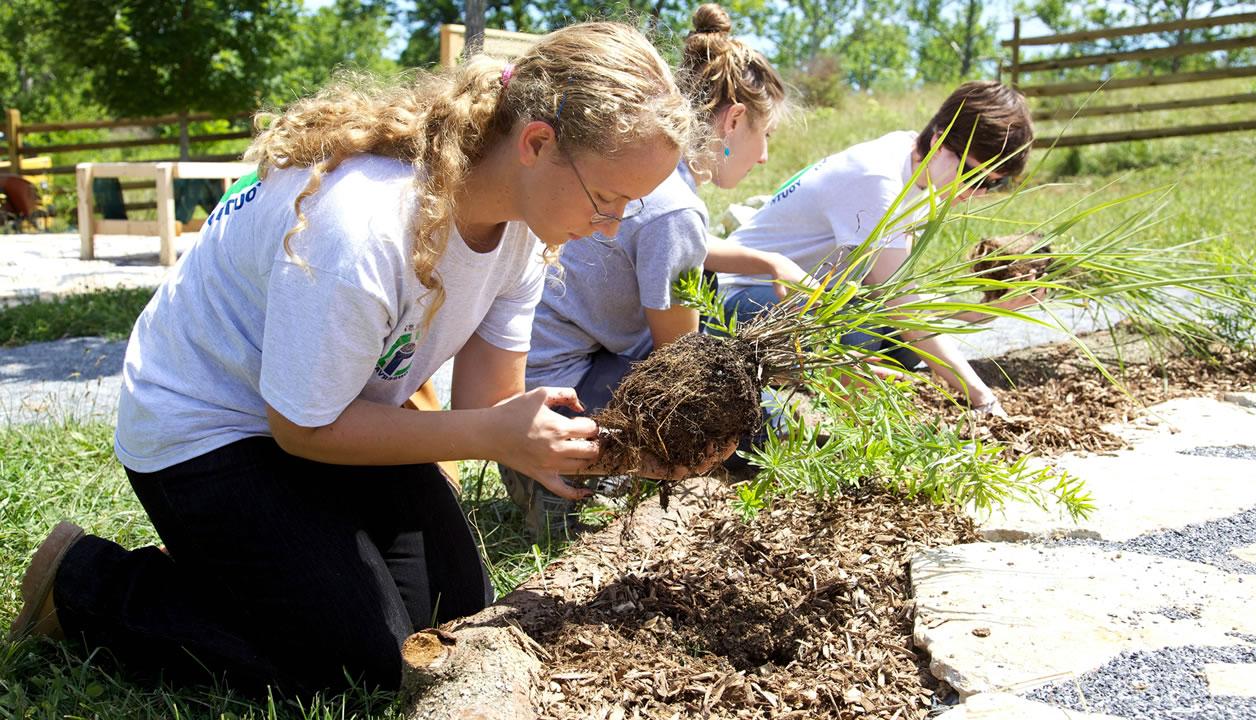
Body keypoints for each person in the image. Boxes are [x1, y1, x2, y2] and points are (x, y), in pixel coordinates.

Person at [7, 22, 725, 695]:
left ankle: (245, 568)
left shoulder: (520, 231)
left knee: (456, 623)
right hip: (210, 430)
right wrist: (495, 435)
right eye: (607, 199)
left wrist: (636, 452)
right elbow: (300, 429)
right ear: (535, 143)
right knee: (367, 663)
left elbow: (487, 410)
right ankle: (88, 585)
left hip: (334, 413)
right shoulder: (363, 227)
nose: (608, 229)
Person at [501, 3, 797, 536]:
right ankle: (585, 485)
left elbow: (676, 243)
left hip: (525, 387)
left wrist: (766, 259)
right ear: (732, 120)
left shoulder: (643, 174)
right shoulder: (675, 207)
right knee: (738, 402)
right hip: (559, 409)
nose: (763, 157)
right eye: (764, 133)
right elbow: (677, 371)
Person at [714, 80, 1037, 415]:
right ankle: (793, 389)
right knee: (862, 334)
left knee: (899, 345)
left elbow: (898, 293)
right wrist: (982, 397)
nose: (977, 192)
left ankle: (830, 376)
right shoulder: (879, 181)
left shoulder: (916, 168)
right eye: (974, 176)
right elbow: (902, 308)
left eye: (994, 184)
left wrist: (980, 312)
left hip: (809, 296)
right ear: (940, 141)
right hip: (741, 297)